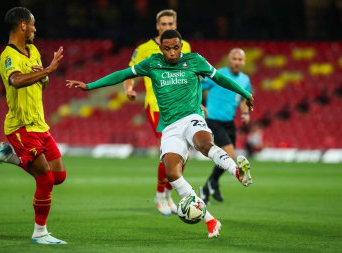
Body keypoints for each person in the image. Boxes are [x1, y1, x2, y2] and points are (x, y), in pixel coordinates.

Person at [66, 30, 253, 238]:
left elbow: (220, 78)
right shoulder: (152, 63)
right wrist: (90, 86)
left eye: (176, 48)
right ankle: (209, 219)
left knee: (203, 143)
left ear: (181, 46)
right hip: (170, 127)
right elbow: (123, 74)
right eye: (167, 48)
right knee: (172, 172)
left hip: (192, 116)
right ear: (161, 48)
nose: (172, 52)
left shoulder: (195, 61)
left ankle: (237, 172)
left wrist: (245, 94)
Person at [0, 7, 67, 244]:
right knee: (45, 181)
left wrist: (44, 77)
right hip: (20, 126)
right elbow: (15, 81)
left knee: (59, 176)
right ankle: (40, 233)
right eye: (33, 24)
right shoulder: (8, 56)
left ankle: (11, 157)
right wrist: (47, 70)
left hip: (40, 124)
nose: (36, 29)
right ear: (23, 25)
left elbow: (40, 85)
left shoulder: (33, 51)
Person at [124, 9, 191, 216]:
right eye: (164, 24)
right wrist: (129, 88)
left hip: (182, 107)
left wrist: (197, 103)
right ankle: (160, 195)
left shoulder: (185, 46)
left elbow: (189, 74)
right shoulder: (144, 49)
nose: (168, 27)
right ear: (157, 26)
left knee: (182, 156)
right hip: (157, 107)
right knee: (169, 154)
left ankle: (169, 194)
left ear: (176, 24)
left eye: (171, 24)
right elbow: (130, 71)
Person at [199, 48, 252, 204]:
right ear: (229, 60)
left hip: (229, 122)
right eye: (234, 58)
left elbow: (244, 99)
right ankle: (211, 184)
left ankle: (208, 186)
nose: (237, 62)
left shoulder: (245, 80)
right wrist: (199, 104)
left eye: (239, 59)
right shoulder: (217, 74)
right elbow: (198, 88)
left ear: (244, 62)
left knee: (229, 156)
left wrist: (246, 113)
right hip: (213, 120)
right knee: (228, 154)